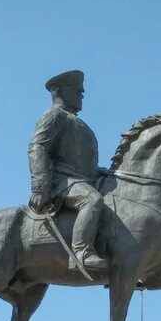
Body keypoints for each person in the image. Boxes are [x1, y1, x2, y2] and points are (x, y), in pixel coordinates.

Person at [27, 69, 110, 275]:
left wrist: (101, 172)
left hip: (84, 179)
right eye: (77, 89)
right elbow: (37, 147)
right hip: (63, 181)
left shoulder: (77, 122)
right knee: (92, 200)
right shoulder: (54, 115)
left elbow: (78, 159)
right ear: (61, 91)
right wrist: (40, 186)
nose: (82, 94)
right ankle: (82, 251)